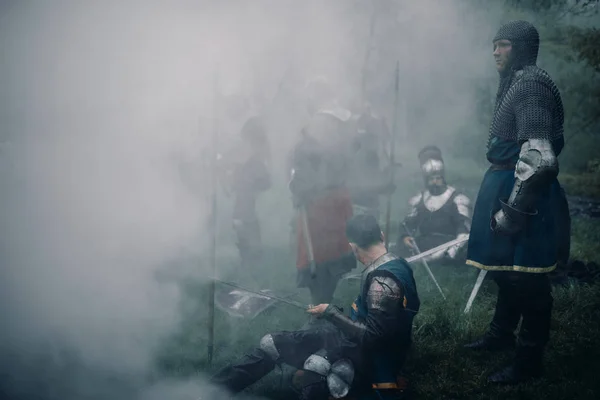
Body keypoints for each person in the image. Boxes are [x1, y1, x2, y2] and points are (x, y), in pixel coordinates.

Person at [208, 214, 420, 400]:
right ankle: (210, 392)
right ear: (382, 236)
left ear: (353, 247)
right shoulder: (395, 264)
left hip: (369, 355)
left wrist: (331, 313)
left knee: (316, 365)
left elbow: (374, 337)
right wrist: (331, 314)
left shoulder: (382, 281)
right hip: (352, 341)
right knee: (271, 343)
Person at [463, 20, 568, 384]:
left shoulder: (531, 86)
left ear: (521, 48)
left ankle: (528, 362)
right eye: (494, 44)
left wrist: (515, 210)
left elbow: (539, 159)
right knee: (505, 271)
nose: (495, 51)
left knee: (529, 282)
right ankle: (500, 335)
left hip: (525, 197)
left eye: (503, 45)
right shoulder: (516, 83)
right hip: (506, 185)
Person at [288, 76, 356, 304]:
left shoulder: (319, 125)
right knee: (333, 254)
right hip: (337, 196)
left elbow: (310, 162)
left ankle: (320, 307)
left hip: (320, 201)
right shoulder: (342, 121)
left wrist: (299, 187)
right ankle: (325, 302)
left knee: (319, 257)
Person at [395, 146, 472, 264]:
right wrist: (405, 238)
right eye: (431, 179)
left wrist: (451, 251)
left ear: (443, 177)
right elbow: (408, 225)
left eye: (438, 178)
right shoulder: (419, 199)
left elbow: (464, 231)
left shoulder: (457, 198)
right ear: (426, 179)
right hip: (423, 245)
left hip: (449, 244)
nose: (435, 182)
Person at [219, 115, 272, 269]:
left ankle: (251, 260)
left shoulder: (256, 159)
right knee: (245, 227)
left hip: (247, 207)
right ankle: (249, 260)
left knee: (247, 227)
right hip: (244, 206)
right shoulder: (248, 158)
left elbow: (265, 181)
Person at [347, 100, 396, 221]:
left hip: (370, 192)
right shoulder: (351, 132)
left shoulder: (376, 133)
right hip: (355, 191)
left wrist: (388, 172)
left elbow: (385, 149)